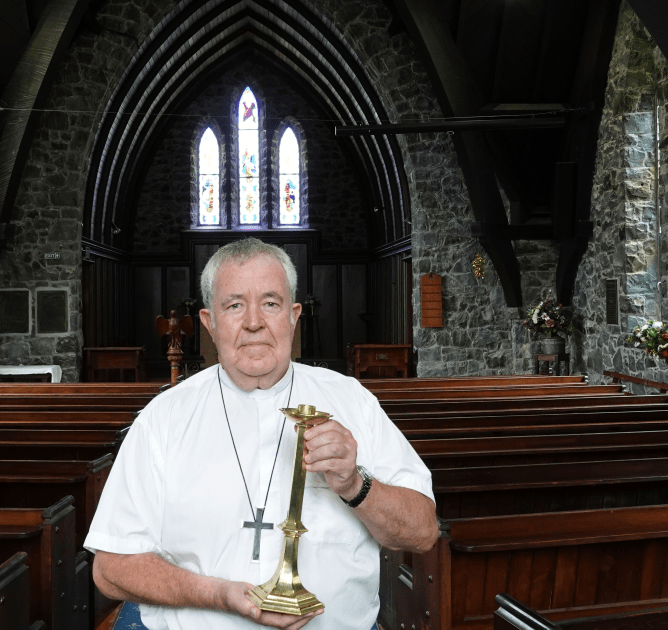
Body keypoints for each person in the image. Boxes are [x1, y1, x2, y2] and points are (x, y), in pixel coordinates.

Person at [85, 238, 439, 630]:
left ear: (293, 315)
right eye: (234, 305)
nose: (254, 321)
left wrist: (355, 484)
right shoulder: (163, 418)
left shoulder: (352, 401)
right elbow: (110, 568)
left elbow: (424, 532)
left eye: (270, 303)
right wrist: (218, 595)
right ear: (209, 323)